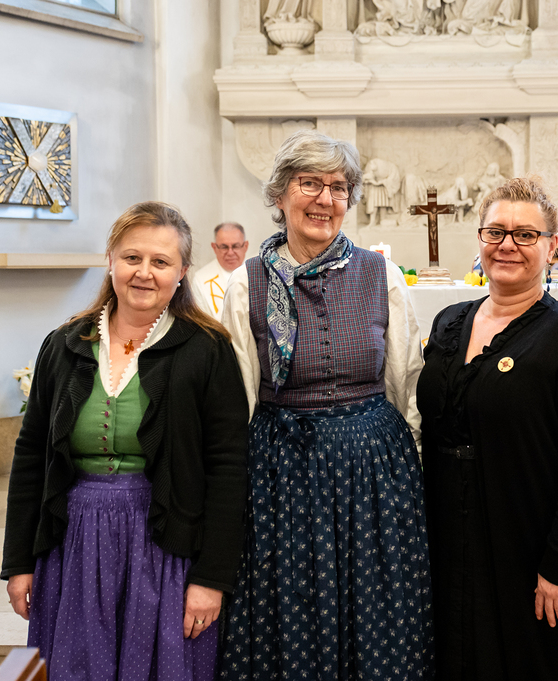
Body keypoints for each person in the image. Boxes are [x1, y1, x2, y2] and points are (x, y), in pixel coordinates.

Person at [1, 202, 249, 681]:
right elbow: (31, 456)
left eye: (161, 261)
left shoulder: (206, 348)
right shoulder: (64, 344)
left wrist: (211, 579)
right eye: (132, 257)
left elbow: (228, 467)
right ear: (110, 259)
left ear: (182, 272)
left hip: (165, 541)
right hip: (74, 540)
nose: (144, 273)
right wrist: (19, 563)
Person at [219, 130, 433, 679]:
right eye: (309, 183)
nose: (325, 199)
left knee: (376, 612)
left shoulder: (380, 273)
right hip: (283, 472)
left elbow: (405, 378)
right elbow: (238, 395)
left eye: (338, 187)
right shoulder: (247, 283)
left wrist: (408, 462)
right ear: (279, 194)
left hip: (372, 472)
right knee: (291, 612)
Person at [417, 176, 558, 680]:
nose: (507, 245)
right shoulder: (448, 322)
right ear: (481, 240)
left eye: (526, 235)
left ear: (552, 248)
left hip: (531, 536)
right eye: (496, 232)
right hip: (453, 530)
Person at [192, 222, 249, 319]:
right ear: (214, 248)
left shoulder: (258, 273)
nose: (230, 253)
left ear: (245, 246)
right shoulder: (200, 280)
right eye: (224, 247)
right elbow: (201, 321)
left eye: (235, 246)